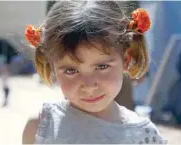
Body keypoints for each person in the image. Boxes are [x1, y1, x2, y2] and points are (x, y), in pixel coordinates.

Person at [22, 1, 167, 144]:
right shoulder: (41, 128)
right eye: (71, 70)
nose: (89, 86)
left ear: (126, 60)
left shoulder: (144, 136)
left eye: (102, 66)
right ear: (52, 67)